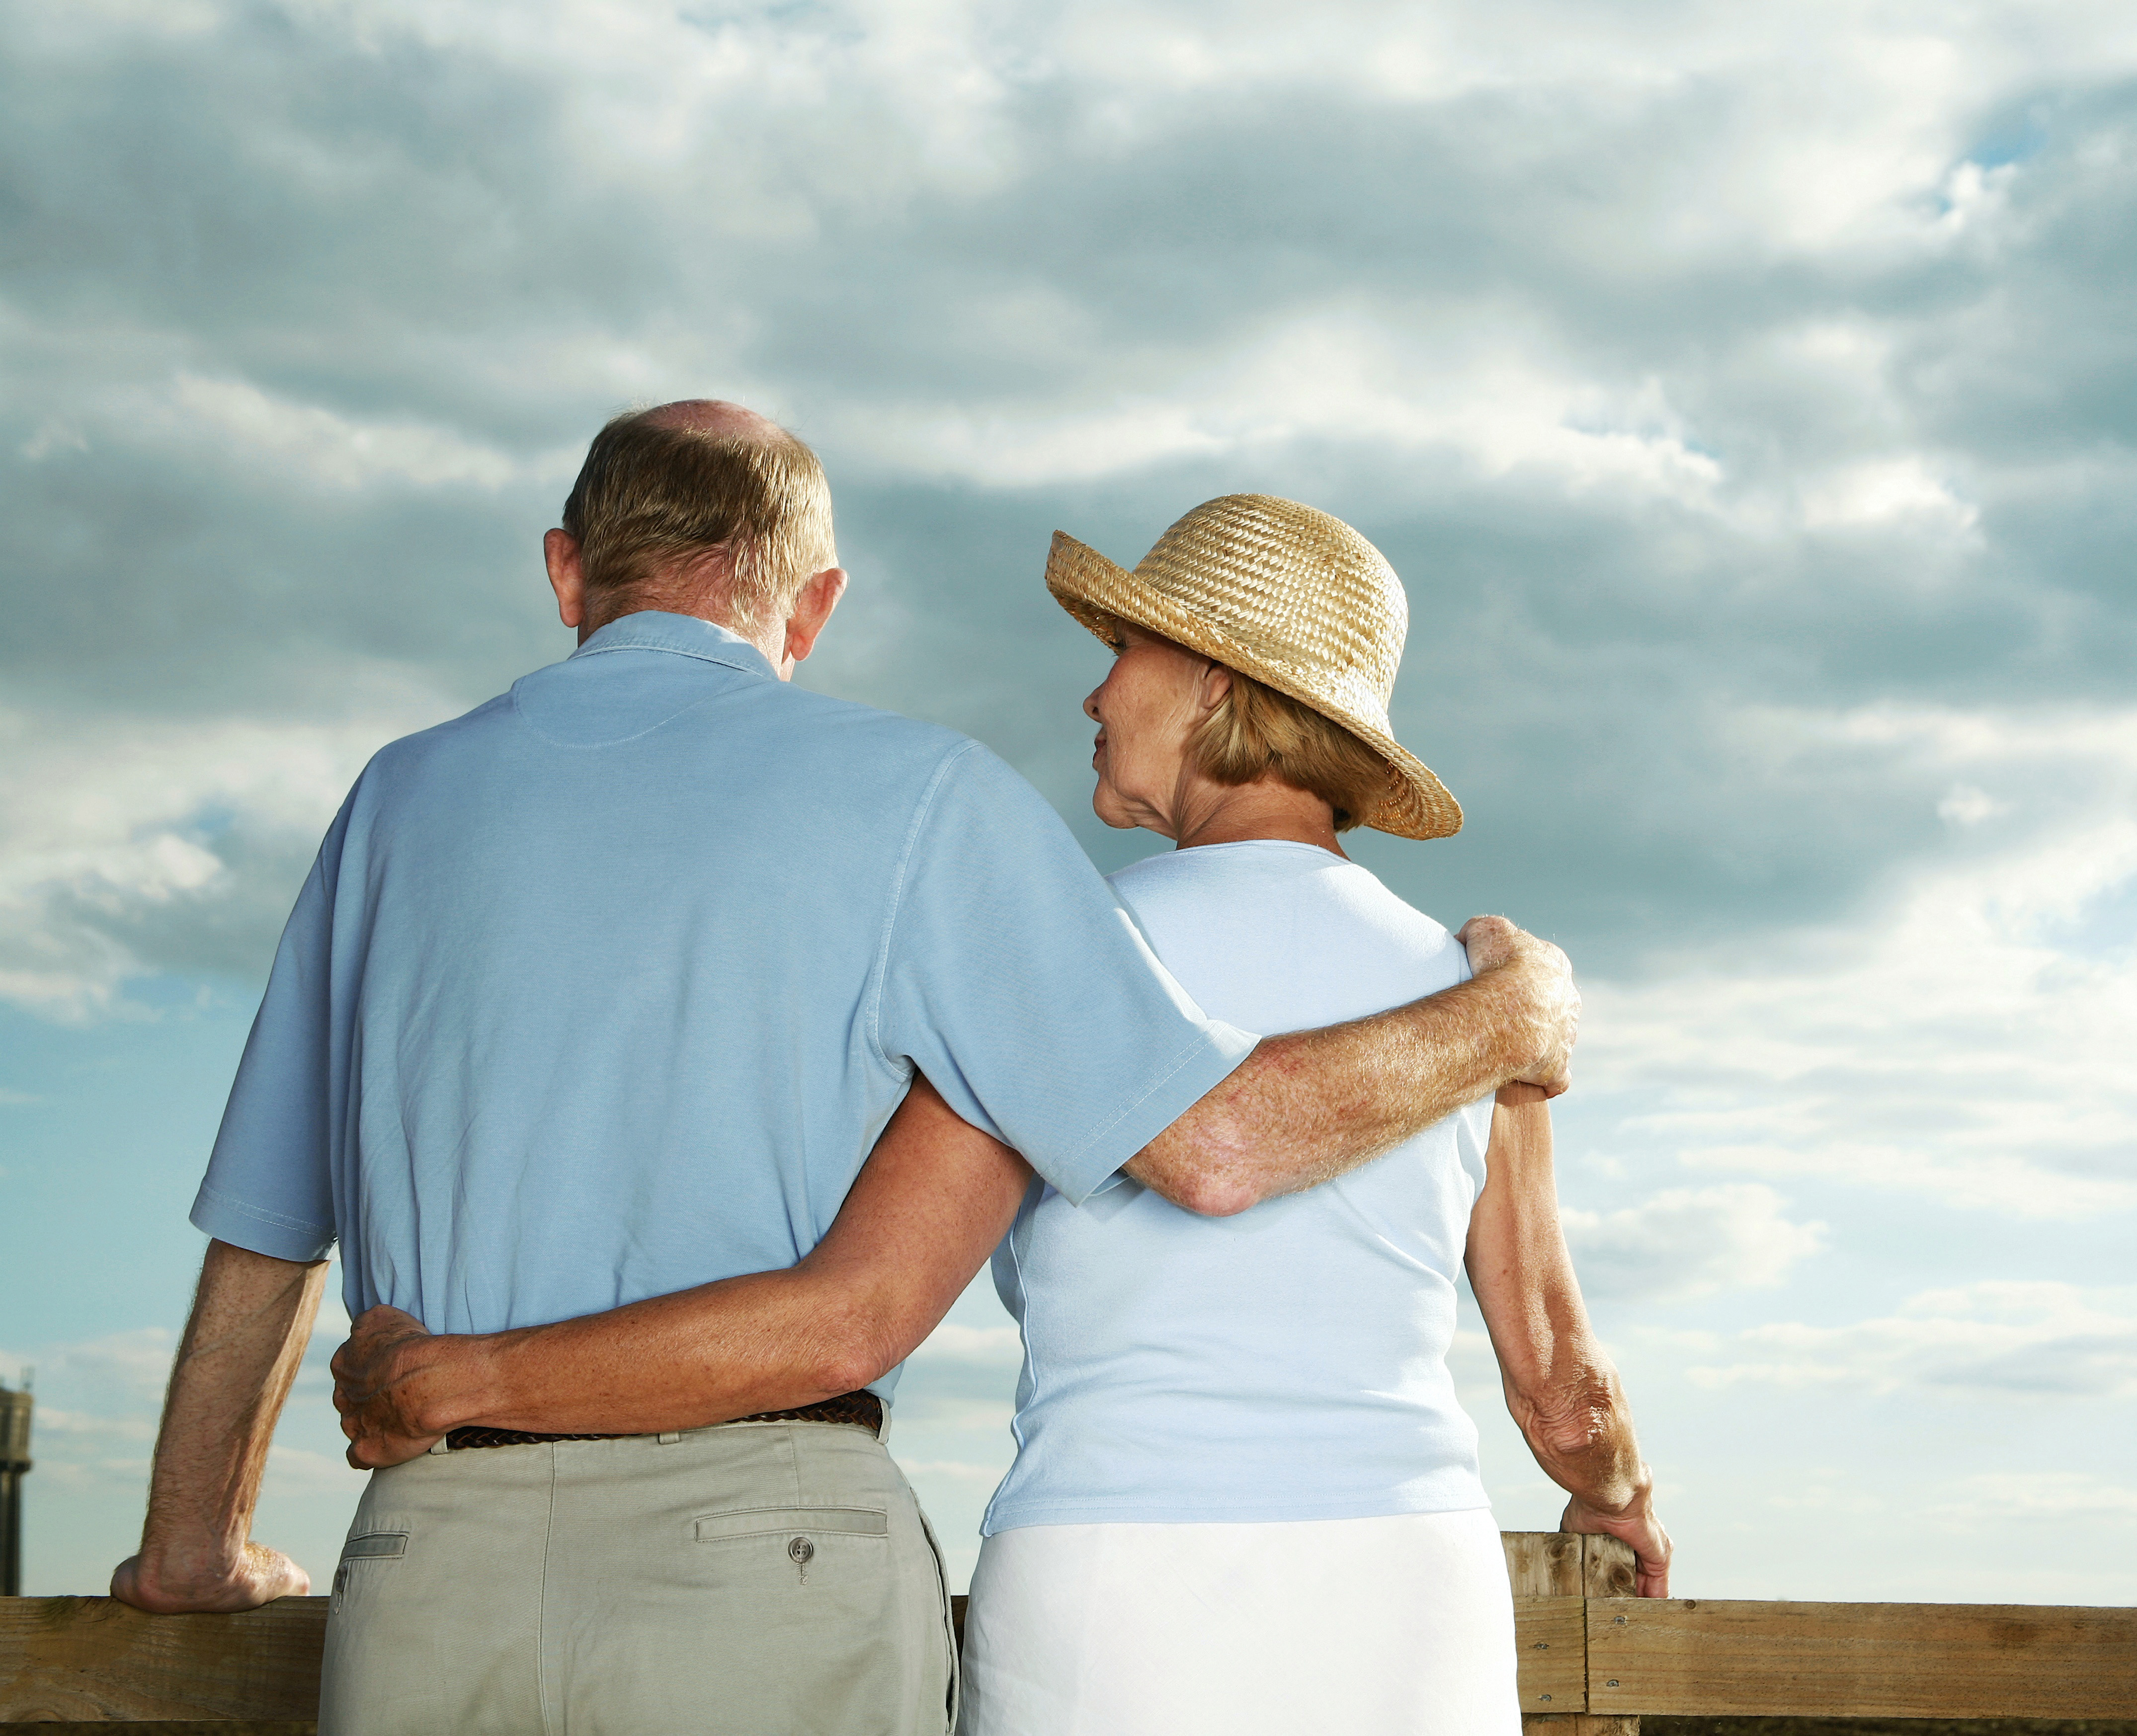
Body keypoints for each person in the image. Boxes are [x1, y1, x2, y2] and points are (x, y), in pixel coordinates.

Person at [110, 403, 1580, 1736]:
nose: (1089, 691)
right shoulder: (932, 802)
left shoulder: (392, 798)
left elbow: (264, 1227)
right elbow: (1206, 1152)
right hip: (779, 1546)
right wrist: (1507, 1010)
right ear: (813, 604)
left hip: (436, 1552)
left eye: (1118, 646)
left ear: (568, 572)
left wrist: (194, 1543)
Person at [953, 494, 1668, 1734]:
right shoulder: (1474, 996)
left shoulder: (1054, 952)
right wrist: (1616, 1498)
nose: (1094, 695)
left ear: (1219, 688)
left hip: (1106, 1578)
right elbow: (1558, 1390)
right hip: (1396, 1590)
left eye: (1124, 651)